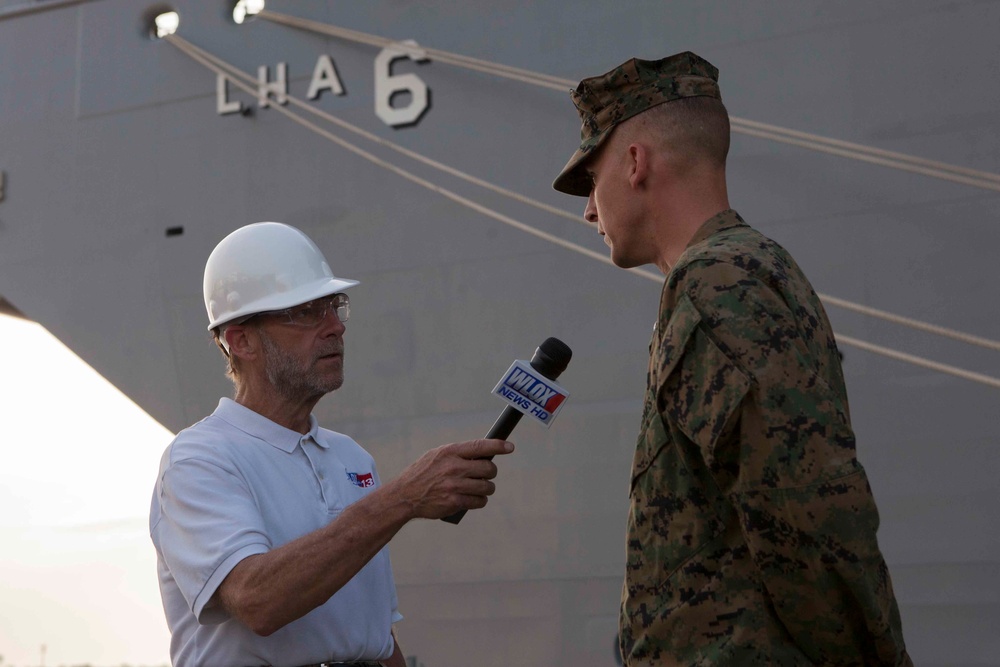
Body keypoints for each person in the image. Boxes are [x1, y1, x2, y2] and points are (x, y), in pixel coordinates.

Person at [552, 53, 911, 666]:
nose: (588, 210)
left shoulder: (716, 282)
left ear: (636, 162)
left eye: (591, 179)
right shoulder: (749, 269)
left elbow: (807, 511)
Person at [149, 221, 513, 667]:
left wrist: (398, 500)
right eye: (304, 312)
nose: (334, 328)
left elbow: (375, 635)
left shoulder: (351, 458)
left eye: (333, 307)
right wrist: (402, 498)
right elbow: (257, 600)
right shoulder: (198, 460)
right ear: (239, 340)